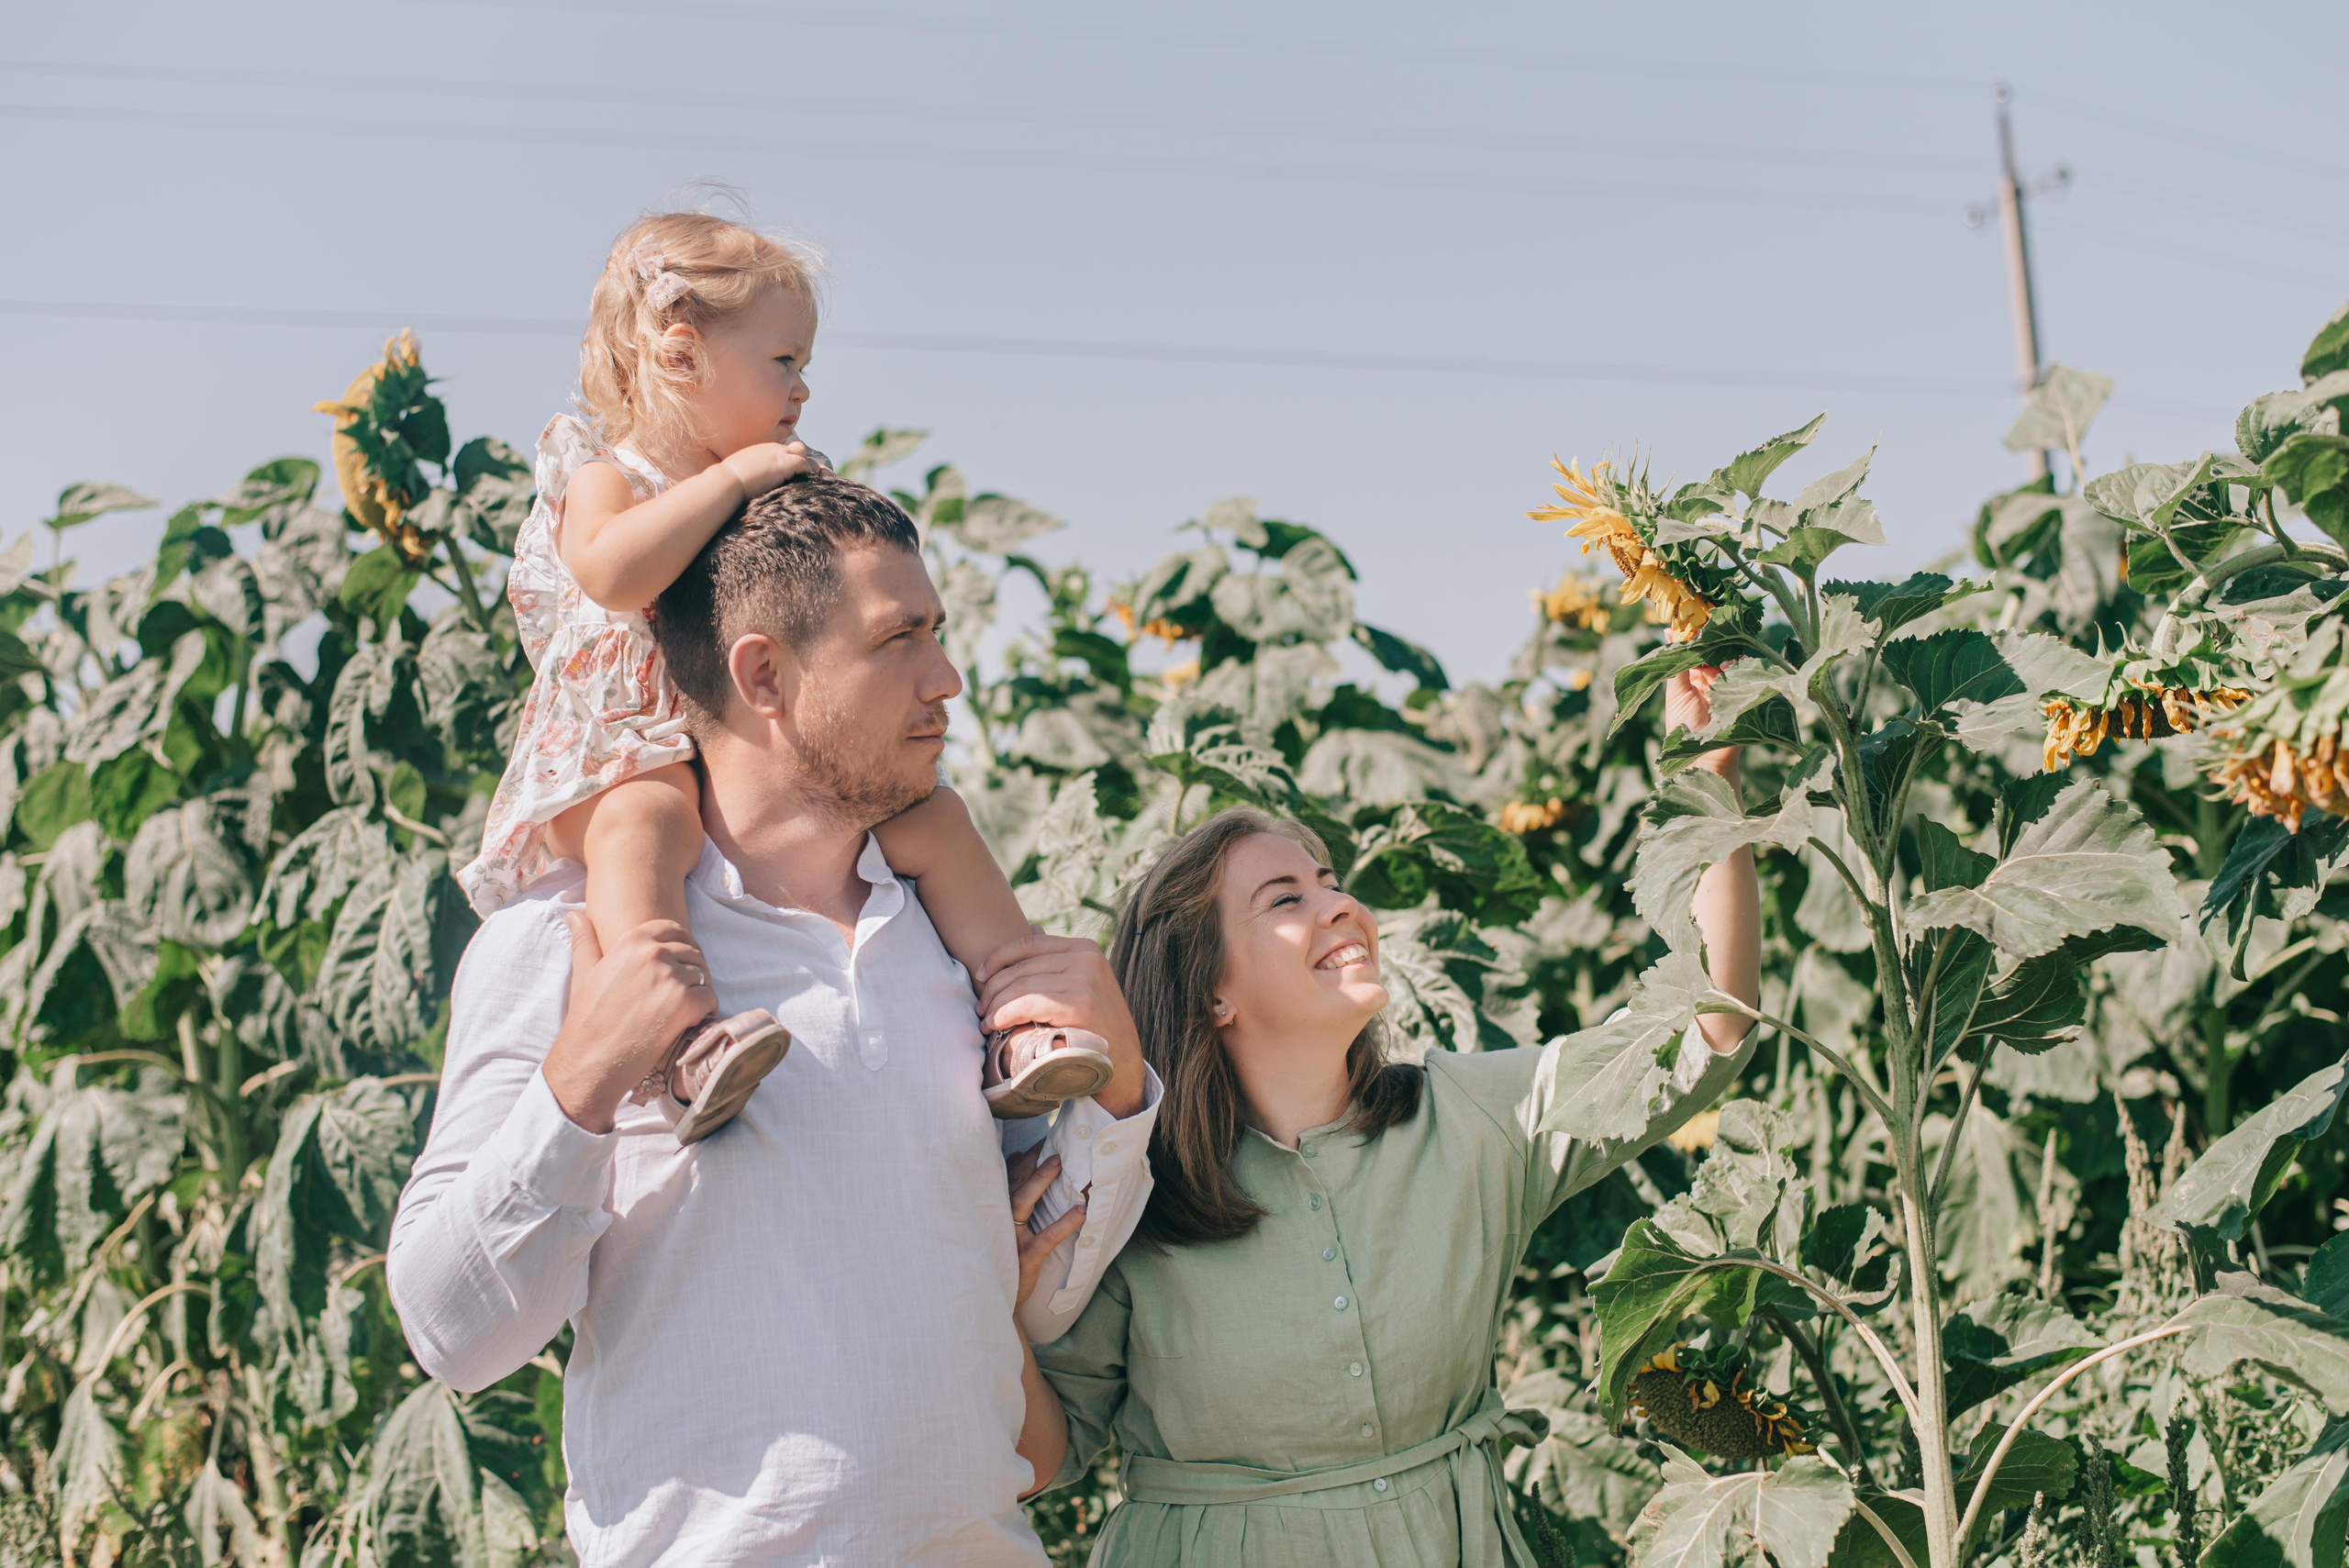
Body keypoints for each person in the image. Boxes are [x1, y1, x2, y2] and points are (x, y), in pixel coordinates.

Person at [387, 475, 1163, 1564]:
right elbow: (450, 1331)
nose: (945, 679)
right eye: (899, 639)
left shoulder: (946, 933)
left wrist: (1122, 1092)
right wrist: (585, 1081)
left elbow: (1049, 1281)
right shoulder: (571, 943)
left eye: (937, 633)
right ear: (764, 673)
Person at [1029, 672, 1759, 1566]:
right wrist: (985, 1294)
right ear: (1210, 986)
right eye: (1284, 898)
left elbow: (1703, 1033)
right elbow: (1042, 1451)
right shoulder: (1136, 1188)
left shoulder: (1470, 1116)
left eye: (1328, 880)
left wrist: (1708, 780)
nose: (1339, 903)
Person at [462, 208, 1111, 1142]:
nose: (802, 386)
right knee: (650, 820)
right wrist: (734, 482)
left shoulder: (777, 483)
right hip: (617, 754)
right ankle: (677, 1043)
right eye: (783, 361)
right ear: (684, 355)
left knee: (936, 817)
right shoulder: (610, 472)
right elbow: (611, 571)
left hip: (745, 750)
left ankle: (1025, 1017)